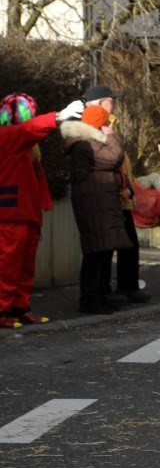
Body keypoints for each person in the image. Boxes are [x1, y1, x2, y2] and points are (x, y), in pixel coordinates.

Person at [0, 94, 83, 328]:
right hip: (11, 215)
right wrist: (57, 117)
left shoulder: (25, 145)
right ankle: (3, 311)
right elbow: (28, 130)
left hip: (25, 215)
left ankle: (19, 308)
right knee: (8, 266)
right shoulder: (7, 137)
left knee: (25, 266)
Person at [61, 104, 133, 314]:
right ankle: (90, 299)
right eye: (106, 123)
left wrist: (126, 187)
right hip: (94, 204)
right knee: (95, 252)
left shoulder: (90, 142)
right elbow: (113, 158)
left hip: (102, 202)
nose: (108, 127)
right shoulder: (85, 145)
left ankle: (100, 294)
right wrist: (112, 137)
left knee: (103, 251)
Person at [84, 85, 151, 304]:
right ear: (101, 103)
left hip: (121, 194)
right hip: (110, 196)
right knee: (105, 249)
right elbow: (111, 159)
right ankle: (106, 291)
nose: (115, 104)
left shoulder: (110, 124)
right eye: (111, 101)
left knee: (126, 245)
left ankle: (123, 286)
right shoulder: (96, 127)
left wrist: (129, 187)